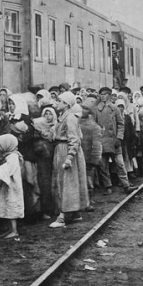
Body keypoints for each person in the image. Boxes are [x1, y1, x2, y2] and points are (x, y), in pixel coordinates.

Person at [49, 91, 90, 228]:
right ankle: (75, 212)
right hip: (60, 149)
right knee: (67, 182)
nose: (57, 103)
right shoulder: (62, 116)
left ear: (66, 104)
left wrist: (69, 157)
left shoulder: (70, 118)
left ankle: (63, 216)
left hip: (66, 151)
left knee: (67, 183)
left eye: (59, 101)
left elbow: (74, 139)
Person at [95, 87, 137, 194]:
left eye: (105, 94)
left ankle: (126, 185)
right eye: (101, 94)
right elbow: (94, 125)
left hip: (115, 142)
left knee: (120, 164)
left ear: (109, 95)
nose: (102, 96)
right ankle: (107, 186)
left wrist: (119, 138)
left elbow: (120, 124)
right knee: (104, 165)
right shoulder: (96, 109)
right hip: (102, 142)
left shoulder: (115, 109)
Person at [0, 134, 24, 239]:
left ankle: (14, 230)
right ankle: (10, 229)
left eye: (1, 145)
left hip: (12, 187)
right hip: (8, 185)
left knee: (11, 206)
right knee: (6, 205)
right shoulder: (8, 155)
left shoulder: (13, 157)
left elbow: (8, 170)